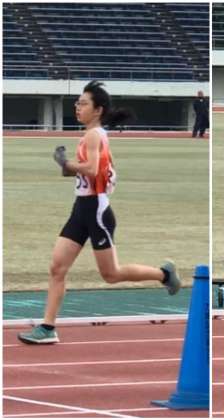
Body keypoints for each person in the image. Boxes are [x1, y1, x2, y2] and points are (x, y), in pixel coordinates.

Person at [18, 81, 181, 344]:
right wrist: (67, 166)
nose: (77, 107)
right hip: (81, 208)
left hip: (96, 210)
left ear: (98, 110)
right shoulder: (91, 135)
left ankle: (164, 274)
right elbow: (94, 171)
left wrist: (65, 163)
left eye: (83, 103)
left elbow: (92, 170)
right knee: (57, 267)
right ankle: (47, 328)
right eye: (77, 103)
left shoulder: (94, 135)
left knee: (111, 274)